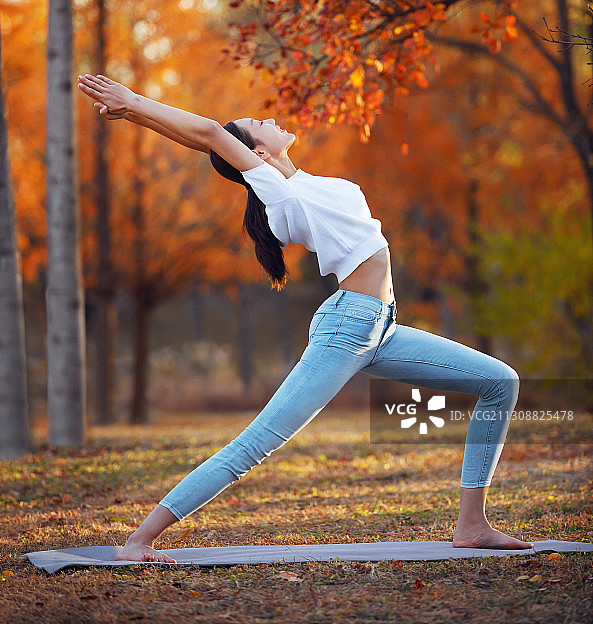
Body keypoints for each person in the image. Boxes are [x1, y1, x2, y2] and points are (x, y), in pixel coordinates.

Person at [78, 73, 534, 562]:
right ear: (258, 153)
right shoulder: (281, 196)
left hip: (383, 328)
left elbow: (209, 142)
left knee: (500, 382)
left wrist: (139, 113)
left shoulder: (304, 185)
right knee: (257, 444)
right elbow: (211, 134)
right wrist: (135, 103)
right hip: (349, 327)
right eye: (258, 123)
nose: (270, 117)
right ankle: (139, 540)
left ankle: (472, 524)